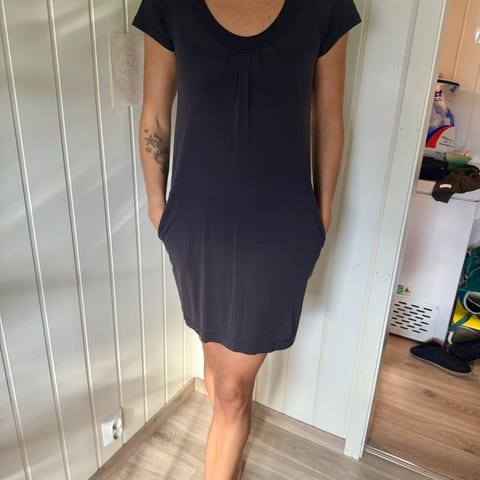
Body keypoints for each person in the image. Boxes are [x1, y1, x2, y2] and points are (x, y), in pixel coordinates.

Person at [132, 0, 361, 478]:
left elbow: (328, 117)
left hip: (279, 228)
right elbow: (155, 114)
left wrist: (321, 212)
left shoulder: (326, 6)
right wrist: (158, 206)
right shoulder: (169, 5)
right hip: (198, 227)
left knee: (231, 390)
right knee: (215, 361)